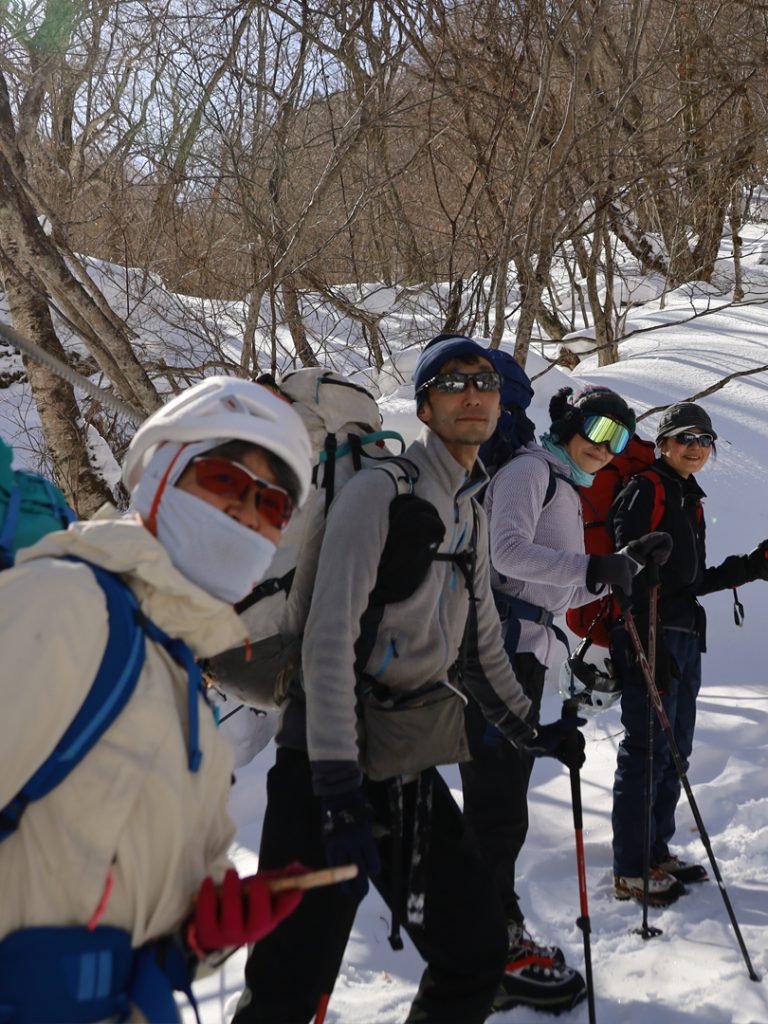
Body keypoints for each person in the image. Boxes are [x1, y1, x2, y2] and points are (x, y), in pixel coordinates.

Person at [234, 334, 589, 1024]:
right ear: (425, 406)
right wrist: (336, 786)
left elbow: (485, 648)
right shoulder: (379, 493)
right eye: (451, 383)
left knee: (476, 953)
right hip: (323, 767)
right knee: (286, 989)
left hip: (403, 761)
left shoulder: (473, 510)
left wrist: (531, 732)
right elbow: (329, 639)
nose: (472, 394)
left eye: (484, 381)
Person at [0, 377, 313, 1022]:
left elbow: (117, 902)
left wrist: (194, 936)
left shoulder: (180, 685)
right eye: (226, 481)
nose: (247, 512)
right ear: (162, 475)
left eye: (273, 505)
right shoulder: (65, 605)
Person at [470, 383, 663, 1012]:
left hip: (528, 649)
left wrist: (621, 565)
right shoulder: (532, 471)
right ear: (569, 422)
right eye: (599, 430)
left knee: (505, 799)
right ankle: (490, 947)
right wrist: (591, 569)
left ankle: (493, 936)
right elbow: (507, 555)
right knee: (497, 801)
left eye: (622, 439)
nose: (607, 447)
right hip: (499, 644)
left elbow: (563, 589)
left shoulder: (564, 485)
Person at [609, 401, 768, 905]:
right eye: (685, 438)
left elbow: (689, 580)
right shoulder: (645, 488)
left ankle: (656, 850)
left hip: (682, 631)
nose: (695, 447)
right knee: (645, 747)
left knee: (674, 750)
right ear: (662, 443)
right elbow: (628, 567)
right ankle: (630, 866)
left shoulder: (688, 498)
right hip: (650, 631)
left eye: (705, 440)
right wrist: (646, 639)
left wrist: (748, 568)